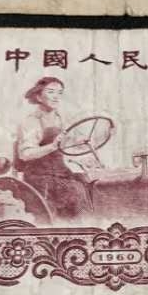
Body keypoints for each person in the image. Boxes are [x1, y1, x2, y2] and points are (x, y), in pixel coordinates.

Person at [15, 76, 88, 220]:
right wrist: (52, 146)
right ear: (39, 97)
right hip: (39, 177)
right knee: (75, 193)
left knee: (89, 185)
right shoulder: (31, 122)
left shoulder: (62, 118)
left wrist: (81, 142)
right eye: (51, 92)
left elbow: (72, 143)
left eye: (59, 93)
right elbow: (25, 154)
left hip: (62, 173)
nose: (56, 97)